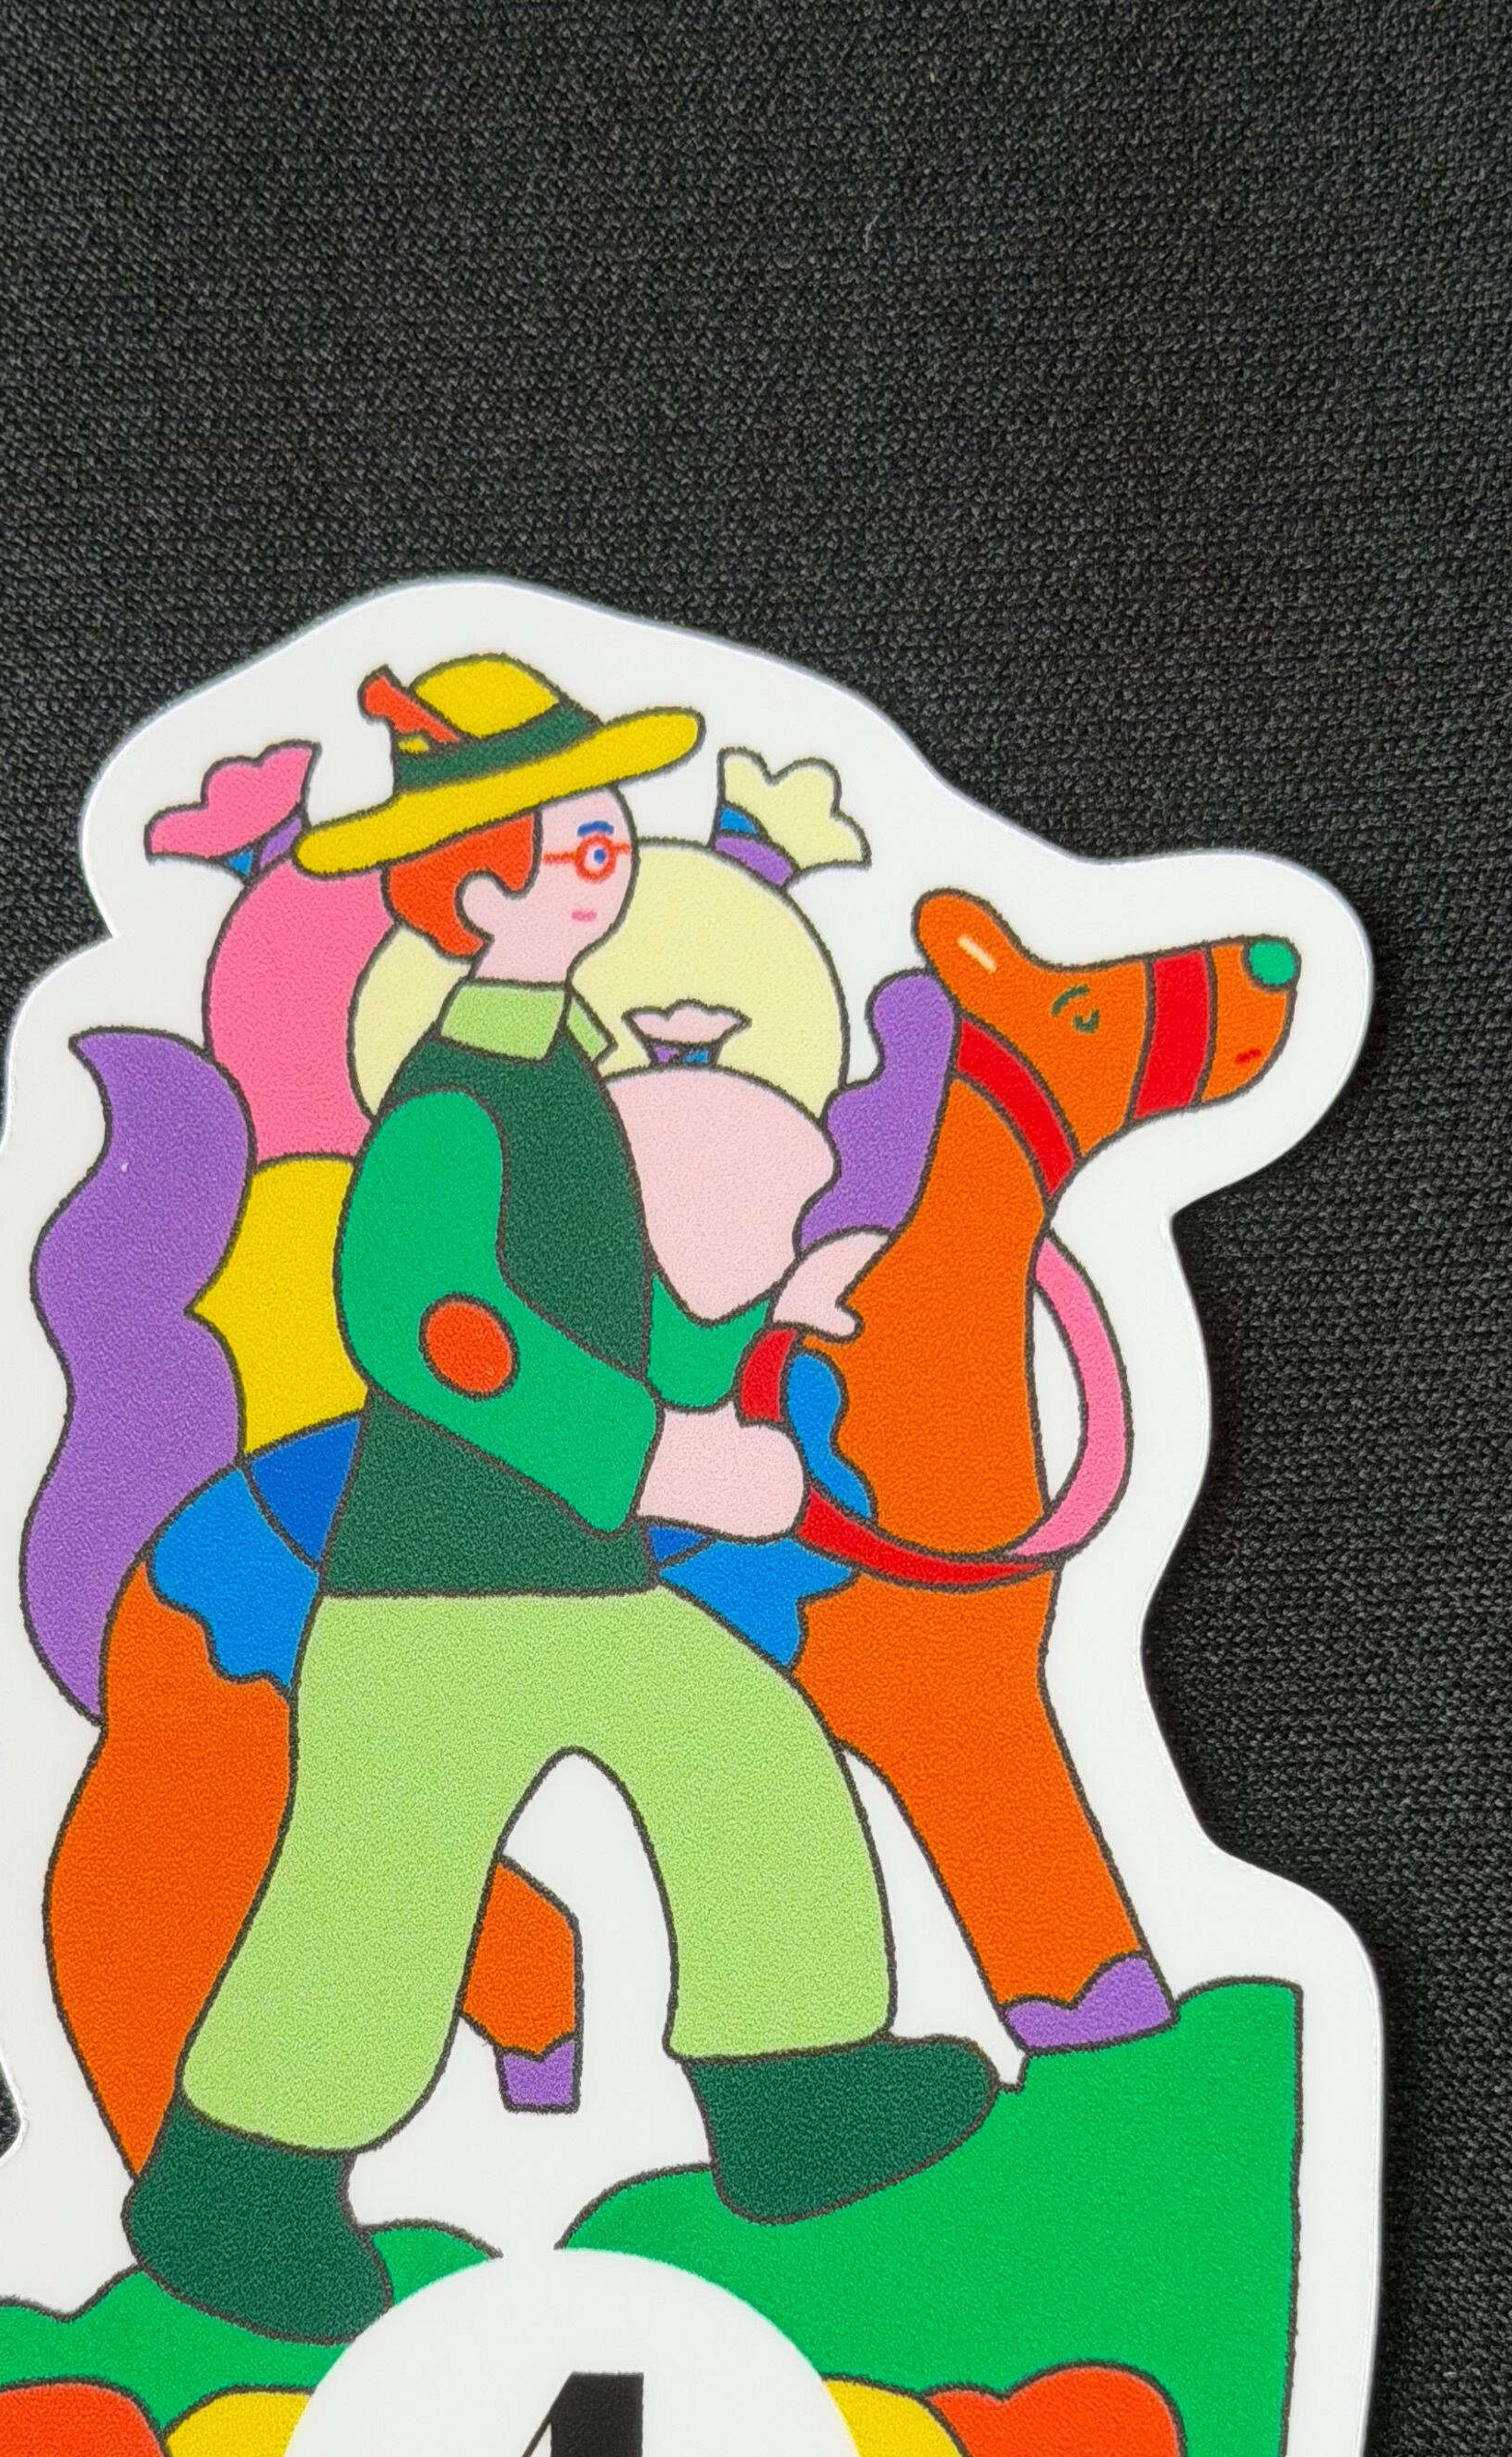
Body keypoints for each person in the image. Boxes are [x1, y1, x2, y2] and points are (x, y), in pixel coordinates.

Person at [124, 653, 994, 2338]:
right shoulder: (456, 1097)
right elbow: (442, 1330)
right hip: (437, 1595)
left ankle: (794, 2094)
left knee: (748, 1758)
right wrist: (660, 1457)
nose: (613, 863)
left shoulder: (555, 1067)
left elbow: (605, 1306)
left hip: (572, 1576)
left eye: (610, 834)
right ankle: (233, 2189)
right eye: (582, 841)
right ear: (478, 889)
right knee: (376, 1899)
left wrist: (758, 1320)